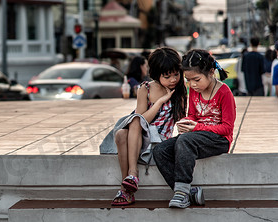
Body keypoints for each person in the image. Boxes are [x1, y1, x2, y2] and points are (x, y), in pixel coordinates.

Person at [99, 47, 187, 206]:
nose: (173, 79)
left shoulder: (180, 91)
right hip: (140, 138)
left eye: (176, 74)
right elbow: (142, 120)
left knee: (133, 122)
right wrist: (160, 102)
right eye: (167, 76)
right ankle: (130, 181)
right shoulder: (145, 88)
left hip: (159, 141)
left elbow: (183, 120)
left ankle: (129, 182)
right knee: (122, 133)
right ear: (156, 74)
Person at [153, 49, 236, 209]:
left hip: (219, 140)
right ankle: (190, 193)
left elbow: (227, 128)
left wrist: (197, 127)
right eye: (188, 80)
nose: (192, 85)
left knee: (185, 140)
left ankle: (182, 193)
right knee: (160, 151)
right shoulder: (195, 91)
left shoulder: (224, 93)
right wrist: (186, 122)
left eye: (196, 79)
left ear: (211, 72)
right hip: (195, 137)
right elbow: (192, 115)